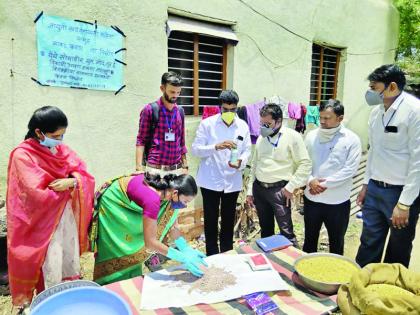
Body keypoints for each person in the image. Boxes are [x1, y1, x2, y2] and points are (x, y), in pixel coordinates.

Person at [6, 106, 95, 308]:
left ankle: (67, 301)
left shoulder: (60, 149)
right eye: (56, 135)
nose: (60, 140)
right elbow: (34, 191)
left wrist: (71, 182)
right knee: (50, 263)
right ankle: (49, 305)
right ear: (39, 132)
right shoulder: (23, 155)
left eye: (62, 135)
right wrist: (65, 184)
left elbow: (83, 173)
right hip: (41, 222)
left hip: (65, 217)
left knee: (67, 257)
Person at [356, 64, 420, 268]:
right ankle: (361, 288)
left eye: (374, 87)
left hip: (400, 193)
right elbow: (373, 151)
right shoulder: (376, 113)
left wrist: (404, 204)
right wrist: (366, 185)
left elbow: (418, 161)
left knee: (398, 248)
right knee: (368, 243)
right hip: (375, 189)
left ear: (392, 87)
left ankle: (388, 294)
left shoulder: (414, 112)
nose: (370, 92)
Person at [91, 172, 207, 285]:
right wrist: (181, 257)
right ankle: (110, 283)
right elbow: (150, 243)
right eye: (185, 201)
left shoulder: (169, 193)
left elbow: (173, 227)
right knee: (120, 246)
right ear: (175, 193)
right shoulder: (153, 199)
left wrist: (185, 248)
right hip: (116, 204)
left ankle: (132, 278)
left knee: (136, 248)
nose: (185, 205)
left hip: (136, 201)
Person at [192, 90, 251, 255]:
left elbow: (247, 151)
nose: (230, 113)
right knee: (210, 221)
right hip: (210, 180)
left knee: (228, 221)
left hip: (232, 181)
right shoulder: (207, 124)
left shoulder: (243, 126)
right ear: (220, 108)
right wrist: (215, 146)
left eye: (233, 110)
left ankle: (227, 254)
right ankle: (212, 255)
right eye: (226, 110)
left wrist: (241, 162)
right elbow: (196, 150)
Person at [246, 104, 312, 246]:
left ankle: (290, 263)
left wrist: (291, 187)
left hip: (280, 191)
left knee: (286, 232)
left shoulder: (292, 137)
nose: (264, 127)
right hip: (260, 190)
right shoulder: (260, 139)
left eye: (268, 124)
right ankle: (269, 262)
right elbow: (254, 165)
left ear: (279, 121)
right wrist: (250, 191)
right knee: (265, 230)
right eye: (262, 123)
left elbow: (305, 164)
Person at [303, 99, 362, 255]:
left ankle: (335, 277)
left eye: (327, 118)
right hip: (312, 200)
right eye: (321, 117)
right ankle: (306, 275)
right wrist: (310, 181)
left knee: (336, 243)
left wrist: (323, 184)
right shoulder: (311, 136)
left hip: (337, 202)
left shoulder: (351, 139)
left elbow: (349, 170)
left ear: (340, 118)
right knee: (309, 241)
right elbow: (302, 163)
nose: (322, 121)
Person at [135, 71, 188, 176]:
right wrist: (138, 168)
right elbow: (141, 140)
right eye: (172, 92)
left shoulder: (180, 111)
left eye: (178, 92)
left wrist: (185, 165)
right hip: (155, 169)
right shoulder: (150, 110)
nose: (175, 96)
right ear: (162, 88)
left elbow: (181, 141)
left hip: (176, 169)